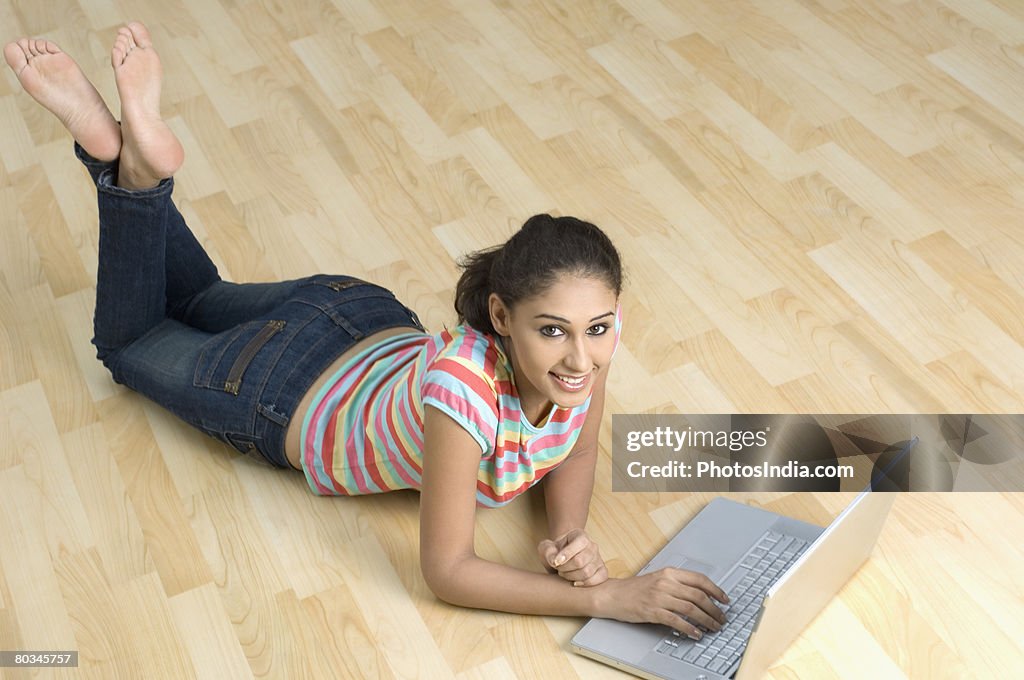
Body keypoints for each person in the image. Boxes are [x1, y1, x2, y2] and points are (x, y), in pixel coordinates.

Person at [4, 22, 729, 639]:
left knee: (201, 297)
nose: (582, 357)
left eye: (598, 328)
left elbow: (571, 446)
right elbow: (447, 571)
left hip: (358, 314)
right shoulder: (462, 395)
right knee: (129, 345)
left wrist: (570, 537)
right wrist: (602, 598)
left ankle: (125, 158)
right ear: (502, 318)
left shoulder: (583, 357)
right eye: (554, 332)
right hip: (279, 390)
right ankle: (123, 166)